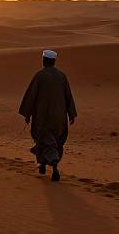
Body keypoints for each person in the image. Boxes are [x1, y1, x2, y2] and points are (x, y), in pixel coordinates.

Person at [19, 50, 77, 181]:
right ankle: (44, 164)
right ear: (54, 61)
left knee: (44, 141)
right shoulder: (62, 76)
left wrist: (27, 114)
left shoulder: (39, 76)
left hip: (43, 118)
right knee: (54, 143)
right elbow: (68, 96)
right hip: (59, 119)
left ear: (44, 60)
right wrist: (71, 114)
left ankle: (54, 166)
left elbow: (31, 96)